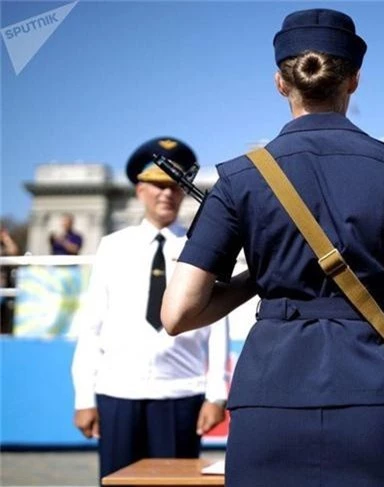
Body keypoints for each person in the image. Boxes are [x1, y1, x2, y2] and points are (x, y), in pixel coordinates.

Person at [161, 9, 384, 487]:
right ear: (353, 80)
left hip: (270, 396)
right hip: (373, 394)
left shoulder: (239, 180)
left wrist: (259, 276)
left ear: (279, 83)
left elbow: (177, 313)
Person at [70, 137, 228, 481]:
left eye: (174, 185)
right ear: (139, 189)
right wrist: (84, 396)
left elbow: (218, 325)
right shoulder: (112, 247)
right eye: (156, 185)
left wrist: (216, 394)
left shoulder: (200, 247)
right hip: (117, 392)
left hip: (181, 392)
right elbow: (92, 325)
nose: (166, 194)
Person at [0, 227, 20, 334]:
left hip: (4, 286)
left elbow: (14, 251)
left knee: (4, 316)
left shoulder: (5, 246)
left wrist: (6, 238)